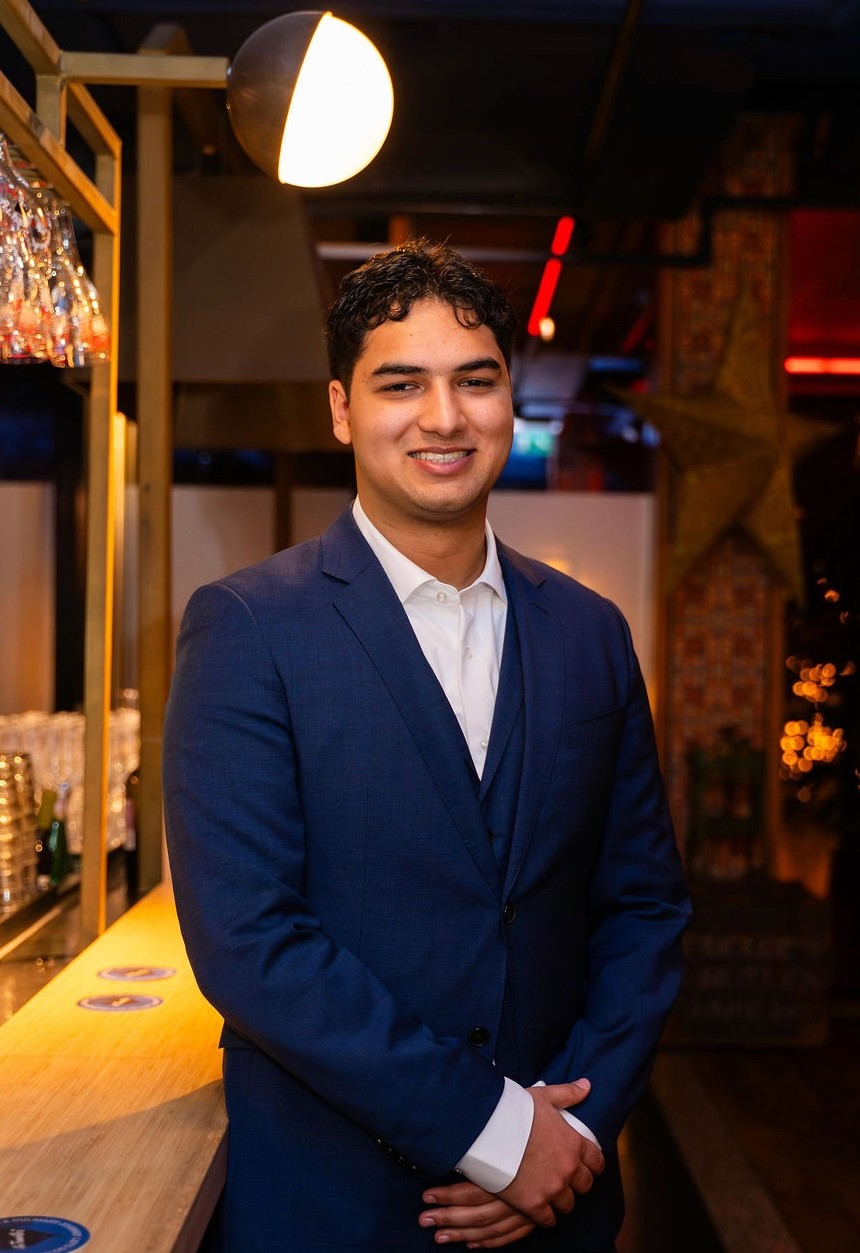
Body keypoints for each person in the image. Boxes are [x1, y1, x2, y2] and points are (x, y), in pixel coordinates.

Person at [163, 240, 690, 1252]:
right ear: (340, 408)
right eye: (400, 383)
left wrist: (568, 1132)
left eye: (474, 381)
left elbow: (642, 906)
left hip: (559, 1208)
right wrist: (496, 1133)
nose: (443, 418)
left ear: (509, 402)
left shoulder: (589, 629)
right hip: (337, 1203)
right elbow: (248, 937)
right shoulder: (246, 626)